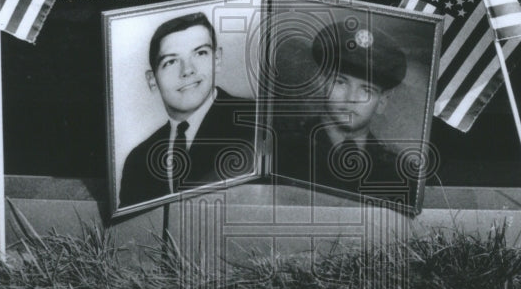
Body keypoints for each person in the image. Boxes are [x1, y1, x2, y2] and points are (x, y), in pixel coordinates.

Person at [118, 11, 256, 208]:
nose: (187, 70)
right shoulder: (137, 161)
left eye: (200, 53)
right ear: (152, 80)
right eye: (171, 61)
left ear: (217, 59)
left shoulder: (257, 122)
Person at [275, 18, 410, 204]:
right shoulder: (280, 153)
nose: (351, 97)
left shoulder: (399, 171)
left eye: (366, 90)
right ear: (321, 84)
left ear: (382, 102)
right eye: (340, 82)